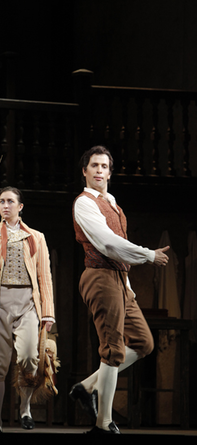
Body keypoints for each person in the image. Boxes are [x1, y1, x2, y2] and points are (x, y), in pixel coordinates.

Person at [69, 145, 170, 435]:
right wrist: (148, 255)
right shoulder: (84, 203)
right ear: (85, 171)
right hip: (99, 276)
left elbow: (118, 249)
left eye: (104, 166)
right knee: (112, 349)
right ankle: (103, 424)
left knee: (143, 342)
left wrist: (127, 285)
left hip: (118, 280)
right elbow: (108, 243)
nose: (99, 171)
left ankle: (85, 387)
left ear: (110, 172)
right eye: (94, 166)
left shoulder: (112, 201)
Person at [0, 186, 55, 433]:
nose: (4, 205)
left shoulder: (36, 237)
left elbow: (45, 277)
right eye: (1, 201)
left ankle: (25, 409)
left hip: (27, 303)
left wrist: (48, 311)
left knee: (29, 357)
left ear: (20, 207)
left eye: (10, 201)